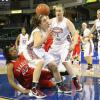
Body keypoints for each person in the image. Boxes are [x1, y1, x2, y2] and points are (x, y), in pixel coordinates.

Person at [29, 14, 70, 93]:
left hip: (40, 50)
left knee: (54, 66)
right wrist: (47, 35)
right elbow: (36, 44)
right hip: (31, 50)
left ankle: (60, 86)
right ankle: (33, 89)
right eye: (44, 20)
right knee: (40, 62)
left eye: (46, 19)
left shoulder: (47, 29)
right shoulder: (36, 31)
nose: (47, 21)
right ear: (39, 24)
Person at [48, 5, 82, 91]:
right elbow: (42, 24)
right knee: (51, 65)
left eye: (60, 11)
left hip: (65, 45)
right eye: (56, 11)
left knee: (65, 61)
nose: (58, 12)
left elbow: (75, 34)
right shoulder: (51, 21)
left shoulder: (67, 22)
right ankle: (59, 85)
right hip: (54, 46)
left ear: (63, 12)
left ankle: (76, 82)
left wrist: (73, 44)